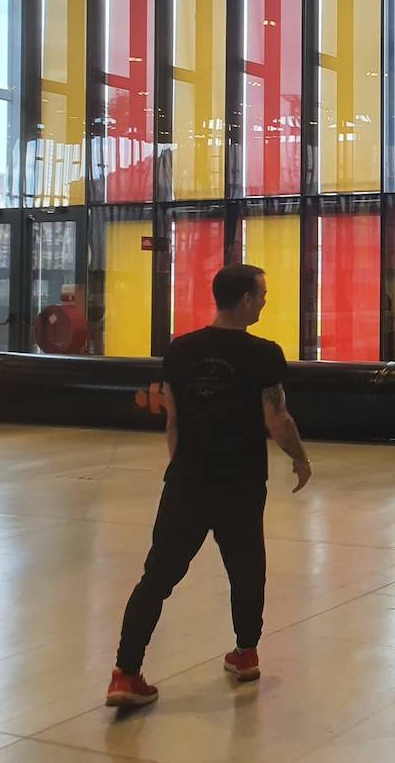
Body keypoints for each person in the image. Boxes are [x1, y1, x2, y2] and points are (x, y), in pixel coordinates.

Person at [106, 264, 312, 708]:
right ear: (243, 300)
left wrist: (183, 469)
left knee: (157, 577)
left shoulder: (180, 350)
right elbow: (277, 418)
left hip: (188, 481)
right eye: (262, 294)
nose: (265, 301)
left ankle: (125, 673)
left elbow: (174, 422)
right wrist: (299, 457)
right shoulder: (263, 353)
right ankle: (245, 653)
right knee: (246, 566)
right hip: (240, 481)